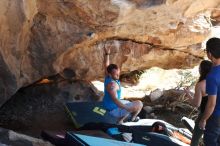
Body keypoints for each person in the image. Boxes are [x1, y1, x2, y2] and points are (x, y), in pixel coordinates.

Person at [102, 45, 143, 124]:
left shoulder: (108, 76)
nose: (118, 76)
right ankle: (123, 120)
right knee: (139, 104)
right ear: (110, 74)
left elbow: (106, 65)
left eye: (118, 73)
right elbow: (115, 100)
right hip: (113, 110)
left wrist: (107, 54)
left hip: (109, 104)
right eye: (115, 74)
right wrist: (127, 108)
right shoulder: (112, 86)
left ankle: (128, 116)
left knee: (129, 102)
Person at [184, 60, 212, 146]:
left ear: (202, 70)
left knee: (195, 140)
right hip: (216, 114)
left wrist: (188, 94)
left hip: (204, 115)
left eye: (199, 68)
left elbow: (196, 104)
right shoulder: (216, 81)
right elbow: (207, 97)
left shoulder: (200, 84)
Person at [199, 37, 220, 146]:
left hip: (216, 117)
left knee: (211, 142)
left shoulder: (212, 76)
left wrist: (203, 119)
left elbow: (211, 104)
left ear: (210, 54)